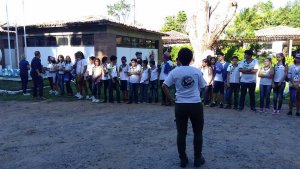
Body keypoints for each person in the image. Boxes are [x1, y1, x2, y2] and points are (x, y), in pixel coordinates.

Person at [162, 48, 206, 168]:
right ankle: (197, 159)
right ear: (191, 59)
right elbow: (204, 86)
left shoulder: (175, 72)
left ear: (179, 59)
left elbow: (164, 86)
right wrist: (199, 96)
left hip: (180, 105)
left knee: (181, 133)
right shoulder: (196, 71)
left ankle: (183, 159)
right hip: (195, 105)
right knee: (198, 133)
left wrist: (171, 99)